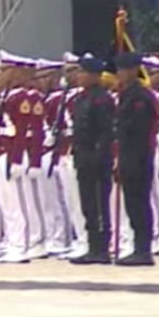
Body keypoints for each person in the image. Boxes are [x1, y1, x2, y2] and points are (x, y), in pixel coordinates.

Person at [113, 52, 159, 266]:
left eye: (123, 70)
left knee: (139, 203)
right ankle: (139, 247)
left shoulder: (140, 96)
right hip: (128, 154)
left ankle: (143, 249)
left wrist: (132, 158)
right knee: (132, 203)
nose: (119, 74)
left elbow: (138, 130)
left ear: (133, 70)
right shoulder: (127, 93)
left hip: (139, 156)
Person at [69, 56, 116, 265]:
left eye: (83, 72)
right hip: (82, 155)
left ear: (94, 75)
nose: (79, 76)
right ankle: (92, 245)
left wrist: (99, 156)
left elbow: (106, 132)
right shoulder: (81, 99)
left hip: (96, 158)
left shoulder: (101, 99)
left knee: (98, 203)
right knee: (88, 204)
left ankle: (102, 248)